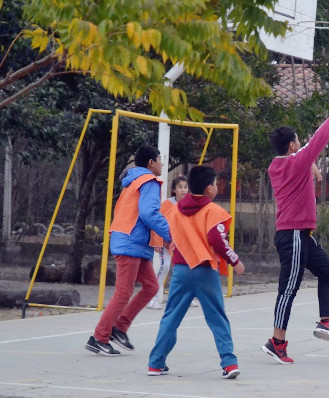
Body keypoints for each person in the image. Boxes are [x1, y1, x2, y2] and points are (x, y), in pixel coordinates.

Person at [261, 97, 329, 365]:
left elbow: (300, 157)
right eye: (298, 140)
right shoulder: (297, 162)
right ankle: (276, 342)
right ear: (292, 145)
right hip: (292, 234)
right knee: (288, 288)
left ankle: (326, 321)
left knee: (328, 271)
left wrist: (309, 164)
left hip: (301, 235)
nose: (303, 143)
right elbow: (320, 138)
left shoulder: (279, 164)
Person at [147, 166, 245, 379]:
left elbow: (168, 231)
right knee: (217, 318)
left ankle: (155, 363)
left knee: (171, 317)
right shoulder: (213, 211)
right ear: (209, 189)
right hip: (204, 270)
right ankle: (229, 363)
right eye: (216, 184)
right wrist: (234, 260)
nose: (217, 187)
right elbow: (218, 240)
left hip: (181, 269)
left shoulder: (175, 210)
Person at [85, 145, 171, 356]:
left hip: (134, 242)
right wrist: (171, 233)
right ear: (151, 162)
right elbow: (149, 213)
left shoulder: (134, 181)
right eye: (160, 159)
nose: (162, 163)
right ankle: (99, 337)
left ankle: (119, 328)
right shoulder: (148, 181)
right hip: (130, 241)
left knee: (151, 287)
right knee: (123, 292)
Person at [147, 175, 198, 310]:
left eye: (185, 187)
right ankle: (153, 299)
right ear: (174, 189)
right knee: (164, 267)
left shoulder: (191, 204)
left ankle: (187, 298)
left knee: (185, 271)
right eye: (180, 187)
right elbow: (158, 223)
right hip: (167, 244)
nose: (183, 190)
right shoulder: (167, 205)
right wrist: (157, 241)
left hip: (183, 245)